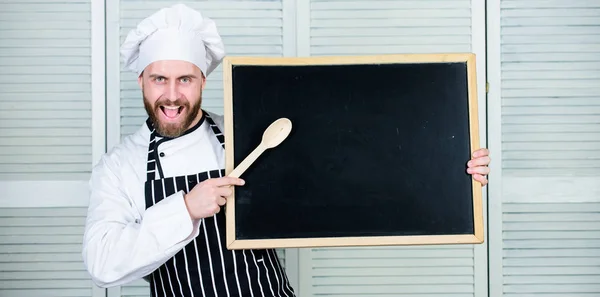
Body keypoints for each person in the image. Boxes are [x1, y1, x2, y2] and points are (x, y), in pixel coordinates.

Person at [82, 3, 491, 297]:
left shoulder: (245, 136)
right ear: (141, 81)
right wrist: (185, 208)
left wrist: (452, 170)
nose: (172, 95)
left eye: (185, 80)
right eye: (159, 79)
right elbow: (102, 265)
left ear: (203, 81)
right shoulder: (121, 167)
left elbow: (356, 168)